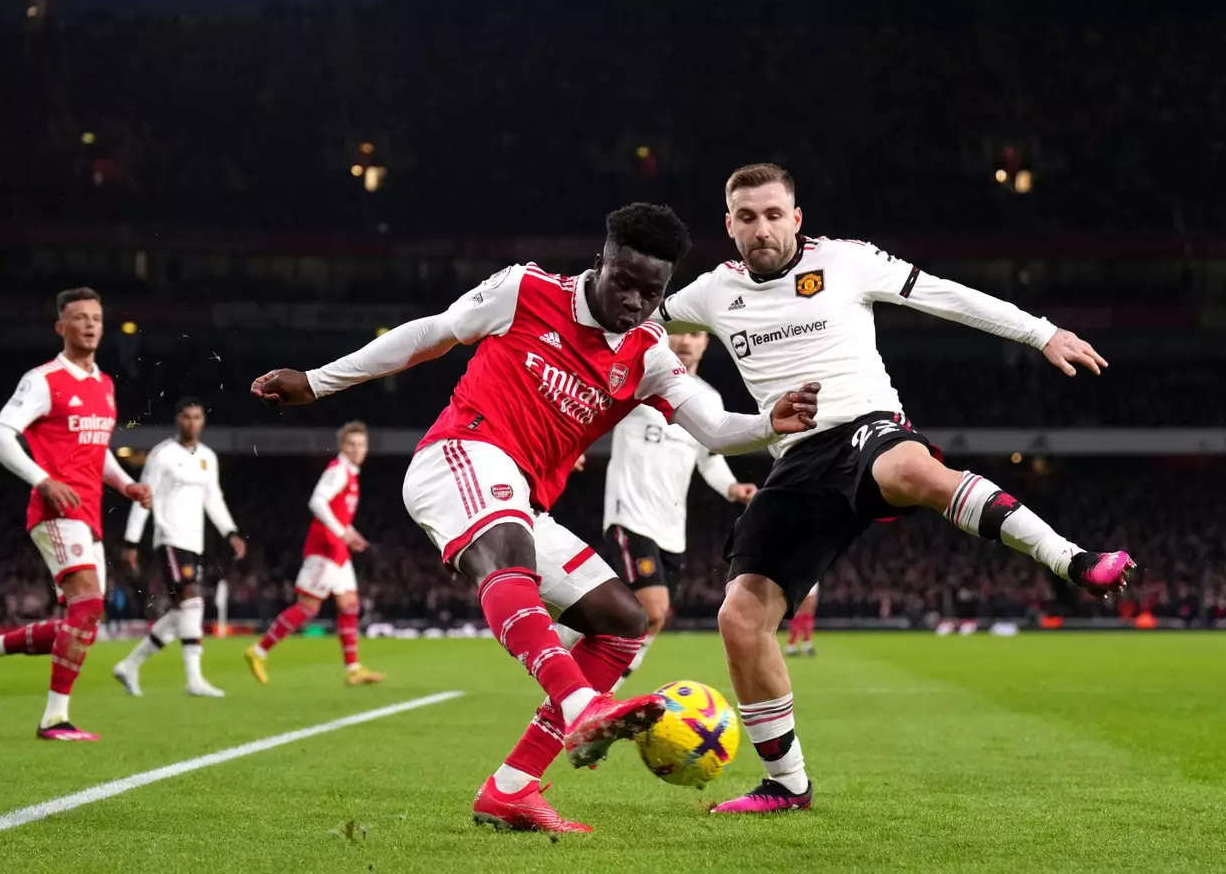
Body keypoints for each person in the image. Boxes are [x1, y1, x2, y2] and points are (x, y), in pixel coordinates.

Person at [251, 202, 819, 833]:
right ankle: (581, 704)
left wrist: (770, 421)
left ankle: (512, 788)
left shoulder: (648, 355)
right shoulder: (526, 289)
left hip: (520, 500)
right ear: (599, 261)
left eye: (650, 293)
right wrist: (319, 381)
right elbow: (431, 333)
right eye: (623, 282)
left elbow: (711, 428)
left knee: (623, 622)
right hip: (459, 454)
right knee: (511, 549)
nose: (633, 301)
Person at [655, 164, 1136, 813]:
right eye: (747, 217)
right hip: (794, 459)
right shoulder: (710, 293)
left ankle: (1071, 559)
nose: (761, 228)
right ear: (729, 226)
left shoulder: (848, 262)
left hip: (865, 427)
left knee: (910, 472)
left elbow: (943, 294)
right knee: (740, 619)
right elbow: (623, 318)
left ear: (797, 219)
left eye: (774, 214)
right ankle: (787, 785)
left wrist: (1040, 331)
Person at [0, 288, 152, 740]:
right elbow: (0, 437)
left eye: (96, 318)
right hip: (55, 510)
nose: (89, 324)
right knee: (88, 607)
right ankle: (54, 718)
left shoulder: (104, 385)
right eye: (79, 317)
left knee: (79, 622)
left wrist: (126, 484)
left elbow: (98, 451)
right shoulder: (43, 379)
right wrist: (42, 480)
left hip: (90, 513)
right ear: (60, 327)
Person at [596, 329, 757, 680]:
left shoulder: (709, 400)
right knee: (653, 609)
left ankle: (591, 673)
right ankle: (595, 691)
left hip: (671, 529)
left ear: (706, 342)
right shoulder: (638, 381)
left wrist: (732, 488)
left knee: (648, 617)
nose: (686, 340)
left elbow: (709, 457)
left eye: (695, 333)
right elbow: (595, 410)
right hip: (630, 513)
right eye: (679, 332)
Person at [113, 397, 247, 697]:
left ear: (203, 421)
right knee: (193, 600)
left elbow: (213, 499)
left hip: (195, 541)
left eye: (197, 417)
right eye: (186, 416)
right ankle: (194, 679)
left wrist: (231, 532)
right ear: (178, 419)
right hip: (170, 537)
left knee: (181, 613)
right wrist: (132, 541)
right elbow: (143, 497)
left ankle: (130, 664)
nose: (192, 422)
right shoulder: (161, 455)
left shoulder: (208, 458)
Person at [244, 421, 385, 686]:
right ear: (343, 446)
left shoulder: (350, 474)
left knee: (349, 605)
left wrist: (350, 533)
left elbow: (337, 511)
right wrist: (340, 532)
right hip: (325, 548)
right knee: (308, 607)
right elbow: (317, 501)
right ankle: (258, 651)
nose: (357, 450)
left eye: (361, 445)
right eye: (352, 444)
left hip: (338, 547)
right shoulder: (339, 471)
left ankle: (353, 668)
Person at [784, 583, 818, 657]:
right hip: (803, 580)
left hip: (811, 579)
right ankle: (791, 645)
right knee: (801, 613)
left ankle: (806, 643)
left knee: (808, 614)